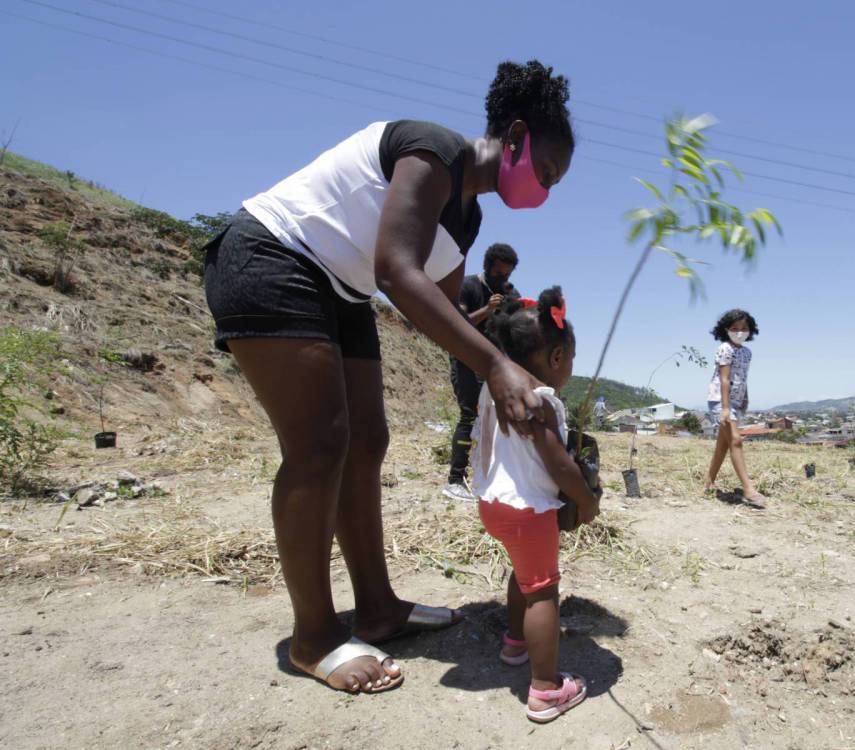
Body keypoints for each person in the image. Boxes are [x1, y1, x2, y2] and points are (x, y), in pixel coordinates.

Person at [202, 60, 575, 693]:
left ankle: (376, 608)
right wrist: (493, 365)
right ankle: (313, 636)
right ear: (513, 138)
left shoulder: (468, 219)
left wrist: (522, 358)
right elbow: (399, 273)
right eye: (546, 171)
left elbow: (449, 309)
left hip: (340, 290)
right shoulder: (432, 151)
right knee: (320, 445)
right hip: (272, 256)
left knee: (367, 440)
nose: (545, 189)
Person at [471, 287, 599, 723]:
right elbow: (559, 465)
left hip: (494, 505)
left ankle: (514, 643)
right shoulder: (539, 399)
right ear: (558, 357)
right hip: (528, 510)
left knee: (523, 575)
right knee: (543, 590)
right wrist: (585, 500)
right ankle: (546, 690)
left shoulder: (494, 390)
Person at [443, 243, 521, 501]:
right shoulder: (468, 286)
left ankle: (487, 477)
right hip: (466, 360)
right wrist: (487, 310)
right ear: (487, 267)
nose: (503, 280)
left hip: (494, 365)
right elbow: (457, 324)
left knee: (495, 420)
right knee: (469, 416)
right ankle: (455, 480)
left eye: (508, 275)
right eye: (499, 274)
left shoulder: (510, 294)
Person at [703, 309, 766, 508]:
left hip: (736, 403)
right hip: (720, 402)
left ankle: (708, 483)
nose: (739, 332)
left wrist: (745, 397)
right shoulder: (725, 349)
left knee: (724, 444)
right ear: (726, 330)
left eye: (744, 328)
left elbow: (742, 378)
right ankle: (748, 489)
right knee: (736, 440)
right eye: (735, 328)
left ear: (751, 331)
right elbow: (724, 379)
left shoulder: (747, 353)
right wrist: (724, 408)